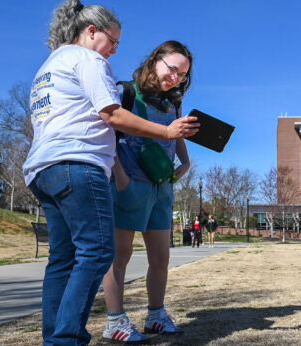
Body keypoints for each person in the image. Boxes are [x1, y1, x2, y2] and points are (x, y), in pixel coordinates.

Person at [23, 1, 198, 344]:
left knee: (64, 257)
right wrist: (161, 135)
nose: (115, 49)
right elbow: (112, 115)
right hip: (78, 164)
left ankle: (55, 339)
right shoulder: (89, 60)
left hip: (45, 167)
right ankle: (72, 336)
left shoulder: (49, 65)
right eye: (113, 41)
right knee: (99, 252)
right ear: (91, 31)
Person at [102, 40, 195, 343]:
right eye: (172, 69)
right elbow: (106, 131)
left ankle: (155, 316)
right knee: (121, 255)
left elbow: (176, 132)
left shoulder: (173, 102)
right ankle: (114, 322)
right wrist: (120, 175)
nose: (175, 78)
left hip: (162, 187)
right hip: (130, 183)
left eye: (182, 75)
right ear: (155, 59)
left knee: (161, 258)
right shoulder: (125, 91)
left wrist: (185, 161)